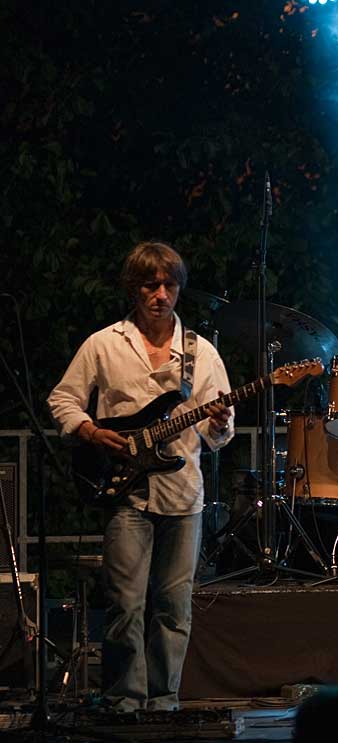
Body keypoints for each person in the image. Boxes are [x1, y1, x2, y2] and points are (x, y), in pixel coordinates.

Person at [47, 242, 234, 713]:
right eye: (151, 285)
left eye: (169, 285)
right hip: (126, 491)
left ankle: (164, 700)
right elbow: (62, 400)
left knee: (174, 608)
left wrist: (219, 425)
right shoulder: (104, 343)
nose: (161, 295)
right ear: (134, 289)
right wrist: (89, 430)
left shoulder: (201, 352)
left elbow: (221, 432)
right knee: (125, 605)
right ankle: (123, 701)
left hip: (183, 492)